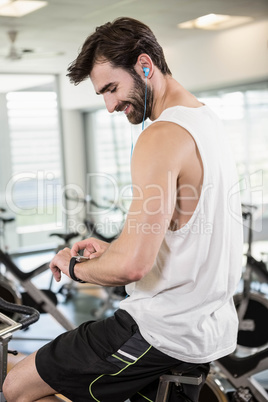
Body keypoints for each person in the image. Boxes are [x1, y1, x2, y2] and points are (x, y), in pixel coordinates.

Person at [3, 17, 243, 402]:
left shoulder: (160, 135)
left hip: (161, 329)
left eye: (112, 88)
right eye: (102, 94)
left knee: (16, 387)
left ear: (145, 66)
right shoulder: (206, 122)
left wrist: (73, 267)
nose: (110, 105)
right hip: (206, 330)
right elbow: (179, 233)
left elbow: (132, 268)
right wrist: (112, 250)